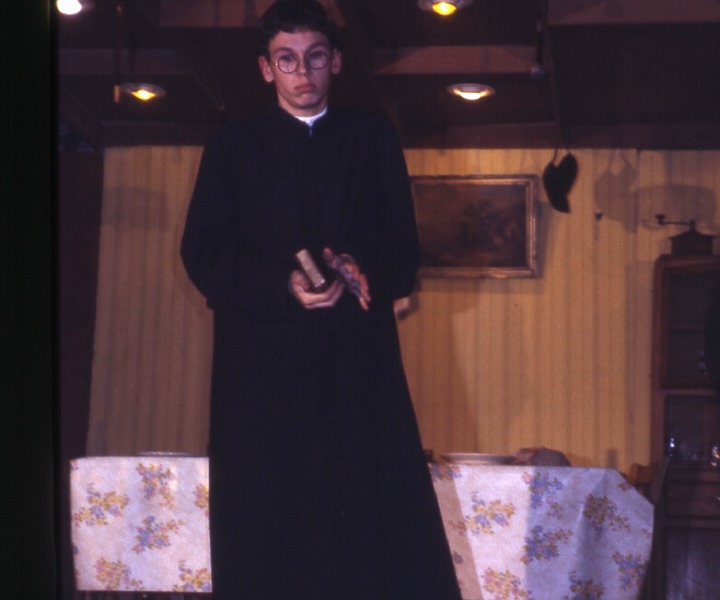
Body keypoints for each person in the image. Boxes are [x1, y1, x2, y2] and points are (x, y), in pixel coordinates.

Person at [180, 1, 461, 598]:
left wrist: (363, 264)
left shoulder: (372, 138)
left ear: (335, 61)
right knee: (268, 532)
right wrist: (280, 285)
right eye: (286, 60)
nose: (302, 72)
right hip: (261, 380)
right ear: (266, 68)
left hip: (356, 376)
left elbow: (403, 249)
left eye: (314, 57)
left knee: (368, 530)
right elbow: (203, 252)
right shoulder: (232, 147)